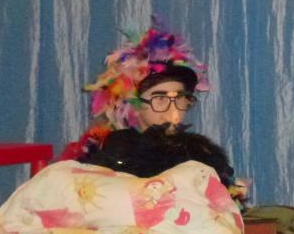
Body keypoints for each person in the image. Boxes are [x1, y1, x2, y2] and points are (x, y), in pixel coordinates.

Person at [59, 16, 245, 206]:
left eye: (180, 98)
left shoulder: (202, 154)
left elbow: (228, 206)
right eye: (160, 99)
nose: (173, 109)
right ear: (133, 105)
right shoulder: (110, 153)